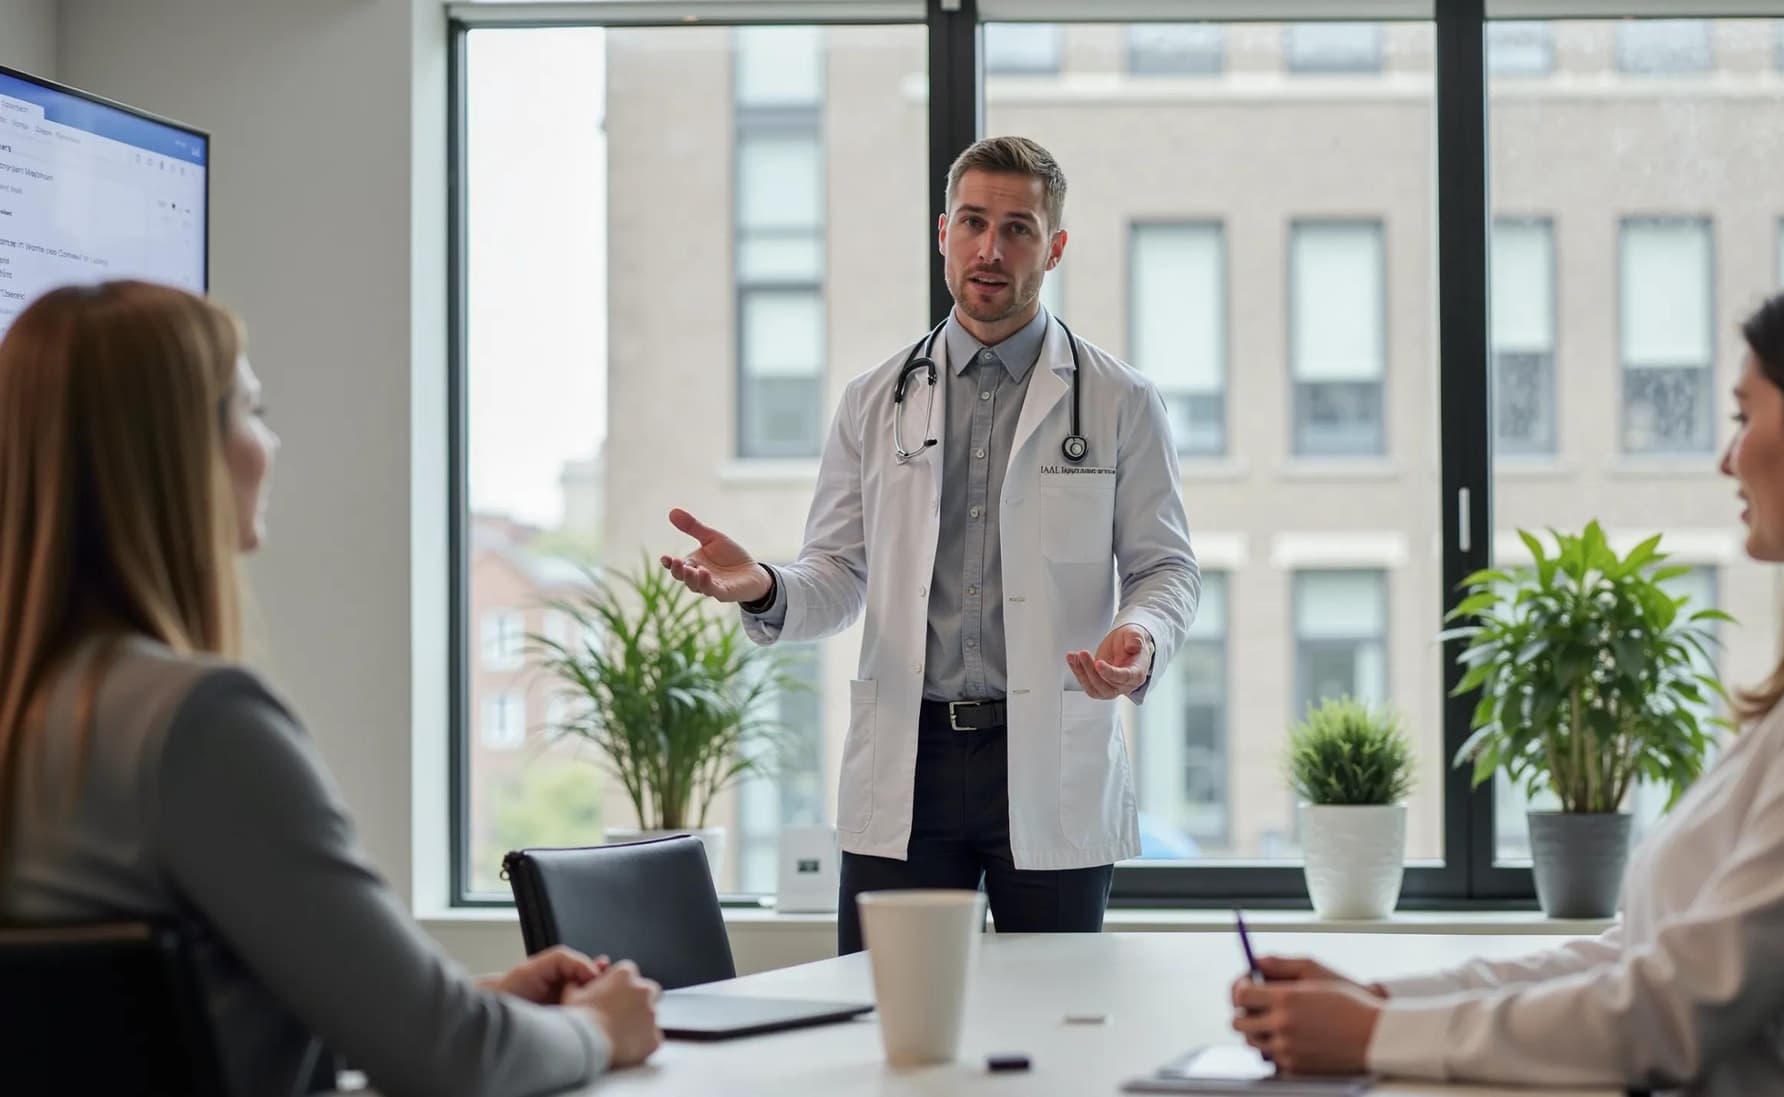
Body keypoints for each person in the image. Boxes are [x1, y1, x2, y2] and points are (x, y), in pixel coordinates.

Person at [1227, 264, 1784, 1095]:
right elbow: (1636, 955)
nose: (1726, 458)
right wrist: (1378, 1001)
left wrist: (1377, 1032)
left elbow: (1672, 1012)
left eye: (1745, 417)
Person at [0, 282, 663, 1097]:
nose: (271, 442)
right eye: (251, 409)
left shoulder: (30, 718)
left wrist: (447, 1005)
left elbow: (155, 1040)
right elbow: (454, 1060)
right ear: (177, 452)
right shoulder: (198, 725)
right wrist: (599, 1026)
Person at [662, 136, 1201, 954]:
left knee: (1053, 1027)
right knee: (884, 1022)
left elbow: (1166, 567)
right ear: (942, 232)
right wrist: (768, 586)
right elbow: (839, 576)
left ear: (1054, 247)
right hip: (908, 756)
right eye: (975, 223)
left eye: (1018, 228)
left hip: (1048, 750)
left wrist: (1144, 635)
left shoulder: (1122, 400)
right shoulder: (874, 399)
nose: (992, 248)